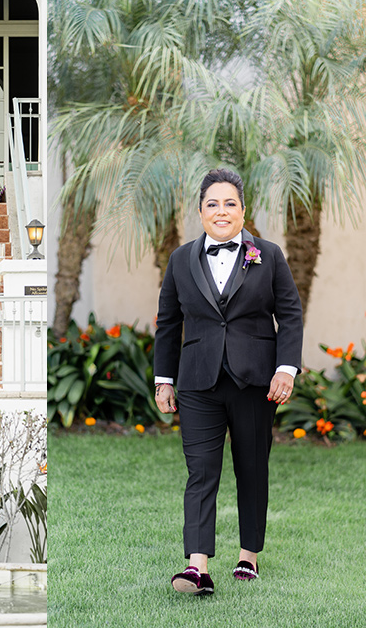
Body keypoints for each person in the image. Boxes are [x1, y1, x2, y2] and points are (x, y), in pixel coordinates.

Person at [154, 168, 303, 596]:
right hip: (198, 380)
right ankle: (197, 567)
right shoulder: (181, 259)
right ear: (200, 211)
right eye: (212, 204)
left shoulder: (269, 255)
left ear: (243, 210)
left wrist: (285, 369)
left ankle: (248, 555)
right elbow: (168, 323)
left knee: (251, 468)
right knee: (200, 472)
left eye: (230, 203)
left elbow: (289, 315)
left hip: (255, 380)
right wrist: (165, 380)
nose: (221, 211)